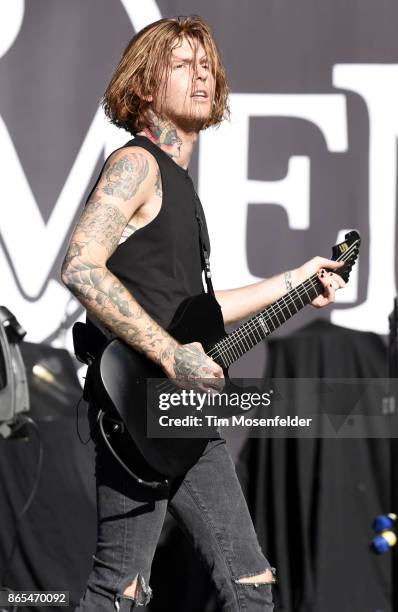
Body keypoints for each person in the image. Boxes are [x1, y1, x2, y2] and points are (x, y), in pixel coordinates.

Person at [61, 15, 345, 612]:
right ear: (143, 83)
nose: (203, 75)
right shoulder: (135, 165)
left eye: (207, 65)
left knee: (226, 587)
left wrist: (296, 280)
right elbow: (82, 267)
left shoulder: (182, 184)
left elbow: (199, 312)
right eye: (183, 64)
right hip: (138, 404)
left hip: (181, 412)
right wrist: (169, 354)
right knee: (132, 592)